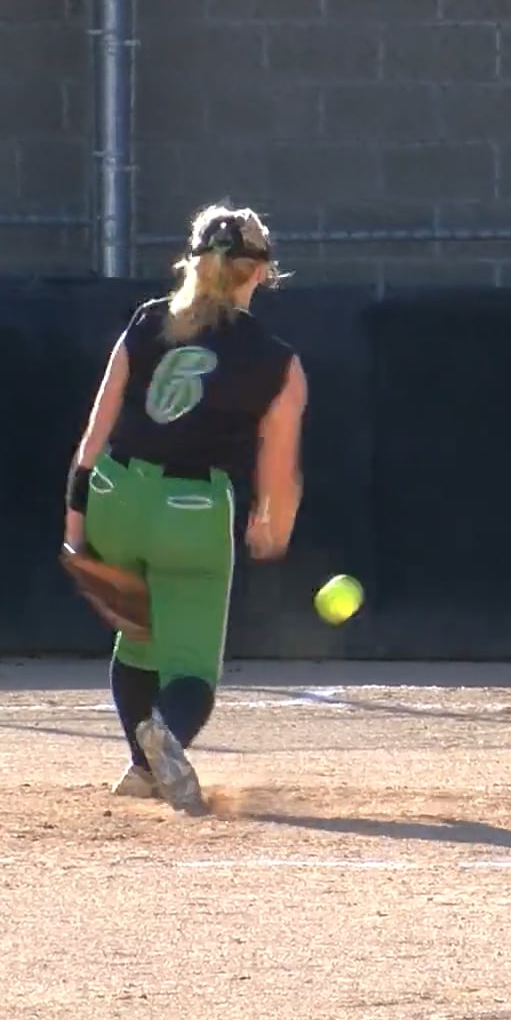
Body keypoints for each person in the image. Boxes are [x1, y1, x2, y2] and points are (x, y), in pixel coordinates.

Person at [61, 203, 309, 812]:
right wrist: (272, 525)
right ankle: (162, 739)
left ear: (193, 264)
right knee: (192, 666)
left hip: (115, 495)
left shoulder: (146, 322)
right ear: (260, 272)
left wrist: (75, 523)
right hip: (191, 507)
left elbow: (95, 435)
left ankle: (142, 769)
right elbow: (277, 473)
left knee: (139, 639)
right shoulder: (280, 362)